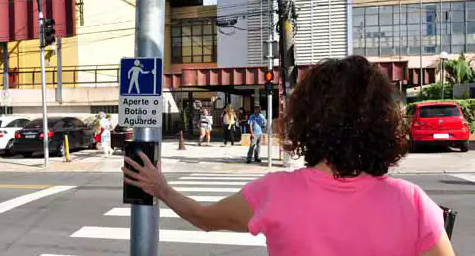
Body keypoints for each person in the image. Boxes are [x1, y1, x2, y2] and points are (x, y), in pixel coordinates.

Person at [122, 56, 454, 256]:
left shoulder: (276, 193)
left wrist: (161, 188)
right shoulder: (413, 203)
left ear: (308, 117)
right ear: (384, 122)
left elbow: (204, 218)